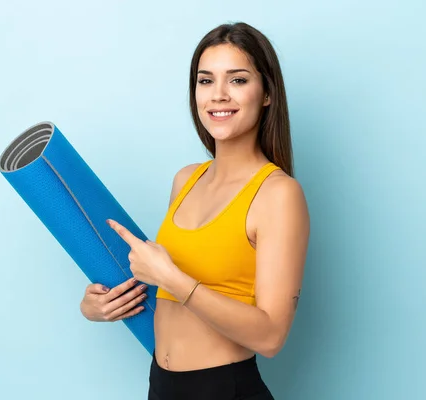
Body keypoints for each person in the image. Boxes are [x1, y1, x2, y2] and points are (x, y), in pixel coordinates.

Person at [80, 21, 310, 399]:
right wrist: (101, 305)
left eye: (237, 80)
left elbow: (271, 337)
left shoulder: (278, 194)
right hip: (162, 383)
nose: (218, 95)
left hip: (224, 388)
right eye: (206, 81)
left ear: (266, 93)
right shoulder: (185, 180)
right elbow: (166, 292)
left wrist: (172, 279)